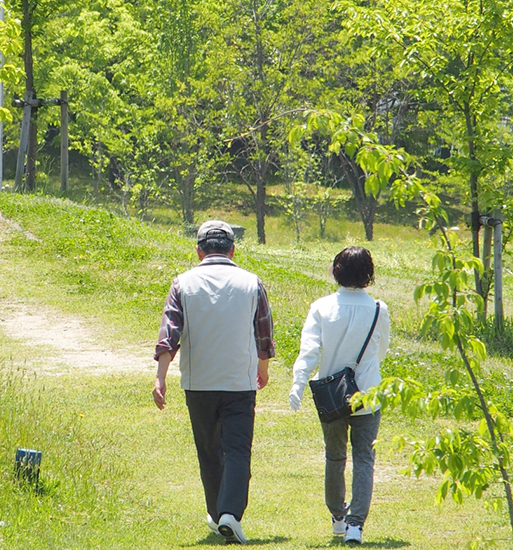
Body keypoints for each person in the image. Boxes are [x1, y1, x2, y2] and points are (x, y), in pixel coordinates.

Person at [153, 220, 275, 545]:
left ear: (198, 251)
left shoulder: (183, 283)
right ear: (233, 250)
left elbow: (170, 335)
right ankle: (229, 514)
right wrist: (262, 368)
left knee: (209, 450)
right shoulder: (252, 283)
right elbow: (264, 332)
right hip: (239, 381)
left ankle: (219, 512)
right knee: (237, 450)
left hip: (199, 382)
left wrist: (160, 378)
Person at [288, 246, 390, 545]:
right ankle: (356, 525)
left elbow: (309, 351)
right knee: (364, 458)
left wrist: (298, 382)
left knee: (334, 456)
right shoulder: (378, 309)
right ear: (369, 274)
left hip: (332, 395)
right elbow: (381, 351)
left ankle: (338, 517)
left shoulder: (321, 306)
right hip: (368, 392)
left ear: (337, 270)